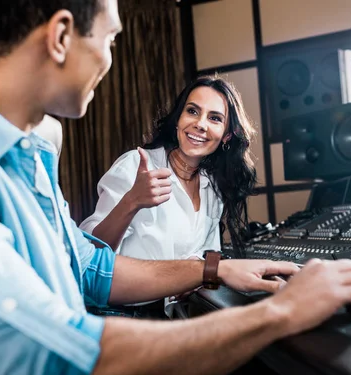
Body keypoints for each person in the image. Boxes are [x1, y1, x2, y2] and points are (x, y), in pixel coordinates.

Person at [0, 1, 351, 375]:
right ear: (62, 36)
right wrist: (280, 313)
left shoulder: (33, 147)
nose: (109, 59)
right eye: (110, 40)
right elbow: (54, 368)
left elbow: (90, 269)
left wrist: (216, 268)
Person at [79, 76, 256, 317]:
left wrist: (196, 268)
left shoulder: (212, 186)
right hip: (120, 315)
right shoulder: (136, 164)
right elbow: (90, 254)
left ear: (226, 135)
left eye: (214, 118)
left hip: (176, 315)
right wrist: (131, 201)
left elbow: (207, 254)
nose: (200, 124)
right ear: (178, 120)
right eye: (192, 111)